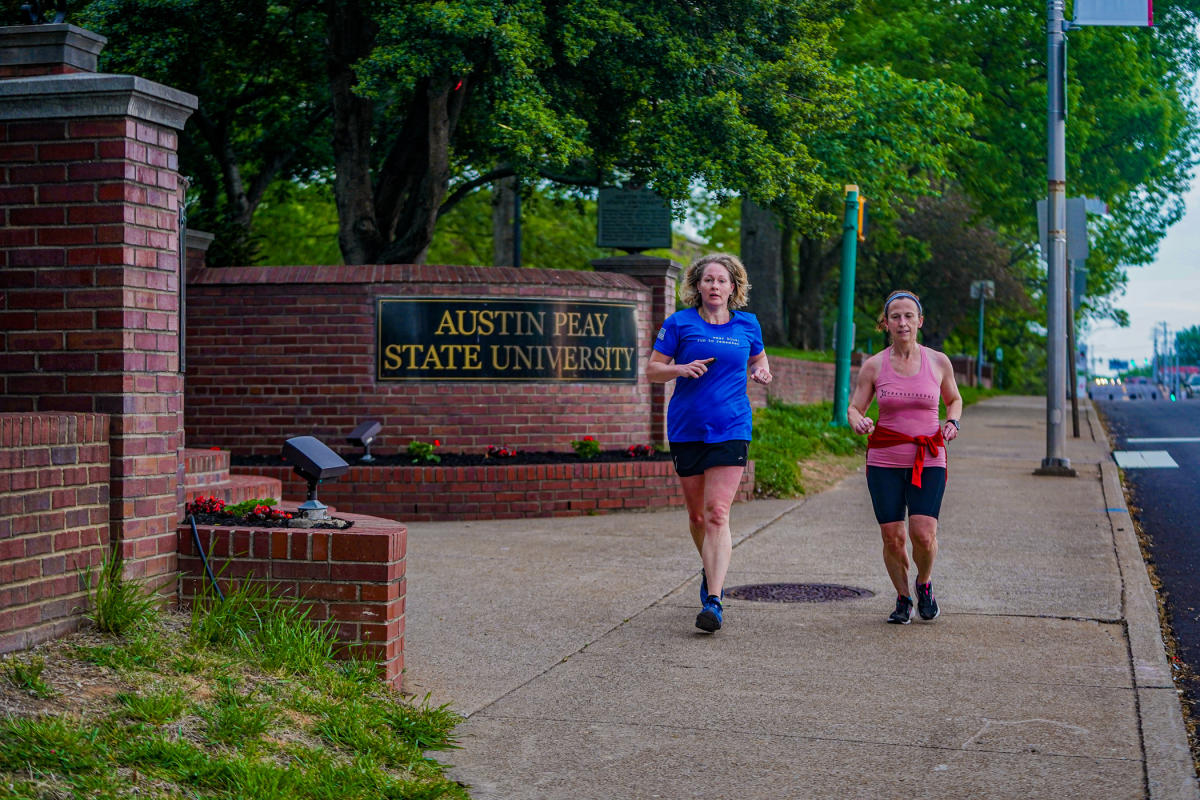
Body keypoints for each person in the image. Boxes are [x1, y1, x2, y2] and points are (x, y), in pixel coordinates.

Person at [646, 253, 772, 633]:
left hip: (732, 426)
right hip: (686, 427)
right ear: (697, 286)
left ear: (734, 287)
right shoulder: (679, 323)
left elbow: (759, 362)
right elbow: (652, 370)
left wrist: (762, 371)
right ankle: (710, 564)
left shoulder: (747, 324)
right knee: (698, 516)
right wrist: (679, 369)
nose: (715, 286)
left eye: (722, 280)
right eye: (708, 280)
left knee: (718, 513)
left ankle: (714, 602)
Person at [847, 290, 962, 625]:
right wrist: (858, 421)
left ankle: (923, 584)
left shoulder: (938, 361)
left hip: (929, 456)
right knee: (892, 537)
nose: (902, 322)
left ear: (920, 321)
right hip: (884, 459)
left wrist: (952, 420)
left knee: (923, 534)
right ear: (886, 324)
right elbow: (855, 408)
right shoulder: (874, 365)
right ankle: (902, 597)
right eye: (895, 316)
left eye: (909, 316)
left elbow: (954, 399)